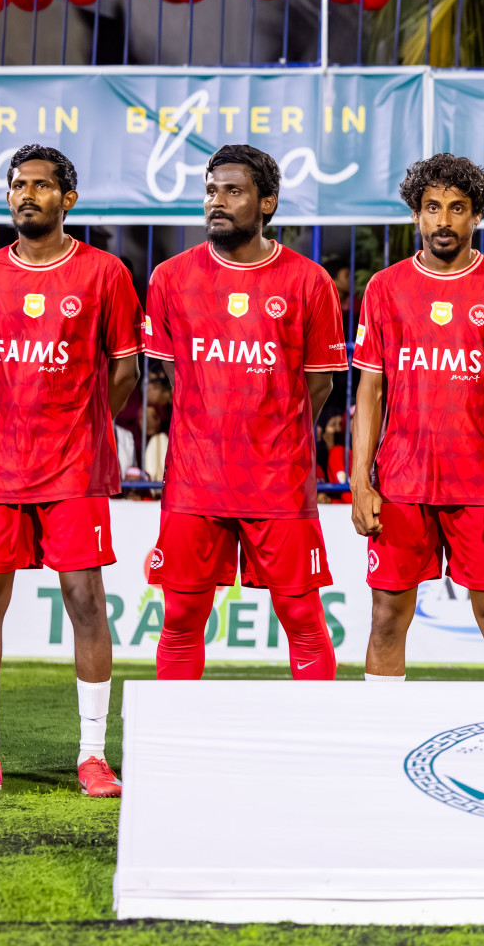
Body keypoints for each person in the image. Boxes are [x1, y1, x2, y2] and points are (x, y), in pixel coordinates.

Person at [141, 145, 346, 680]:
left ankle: (311, 757)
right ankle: (174, 750)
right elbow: (174, 375)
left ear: (267, 203)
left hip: (278, 479)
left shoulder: (309, 282)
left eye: (234, 192)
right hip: (195, 478)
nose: (218, 202)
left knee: (301, 615)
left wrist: (272, 429)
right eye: (212, 191)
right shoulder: (170, 278)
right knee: (182, 615)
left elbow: (318, 385)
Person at [350, 154, 484, 682]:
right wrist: (359, 482)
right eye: (433, 207)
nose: (444, 220)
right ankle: (383, 748)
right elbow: (370, 390)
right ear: (417, 214)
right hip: (399, 485)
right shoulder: (385, 288)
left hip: (480, 486)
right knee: (387, 619)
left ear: (475, 216)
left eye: (457, 209)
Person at [0, 145, 141, 797]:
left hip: (75, 470)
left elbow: (127, 369)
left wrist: (84, 427)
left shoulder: (104, 273)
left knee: (85, 602)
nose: (27, 194)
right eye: (18, 185)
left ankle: (91, 756)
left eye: (41, 186)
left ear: (67, 199)